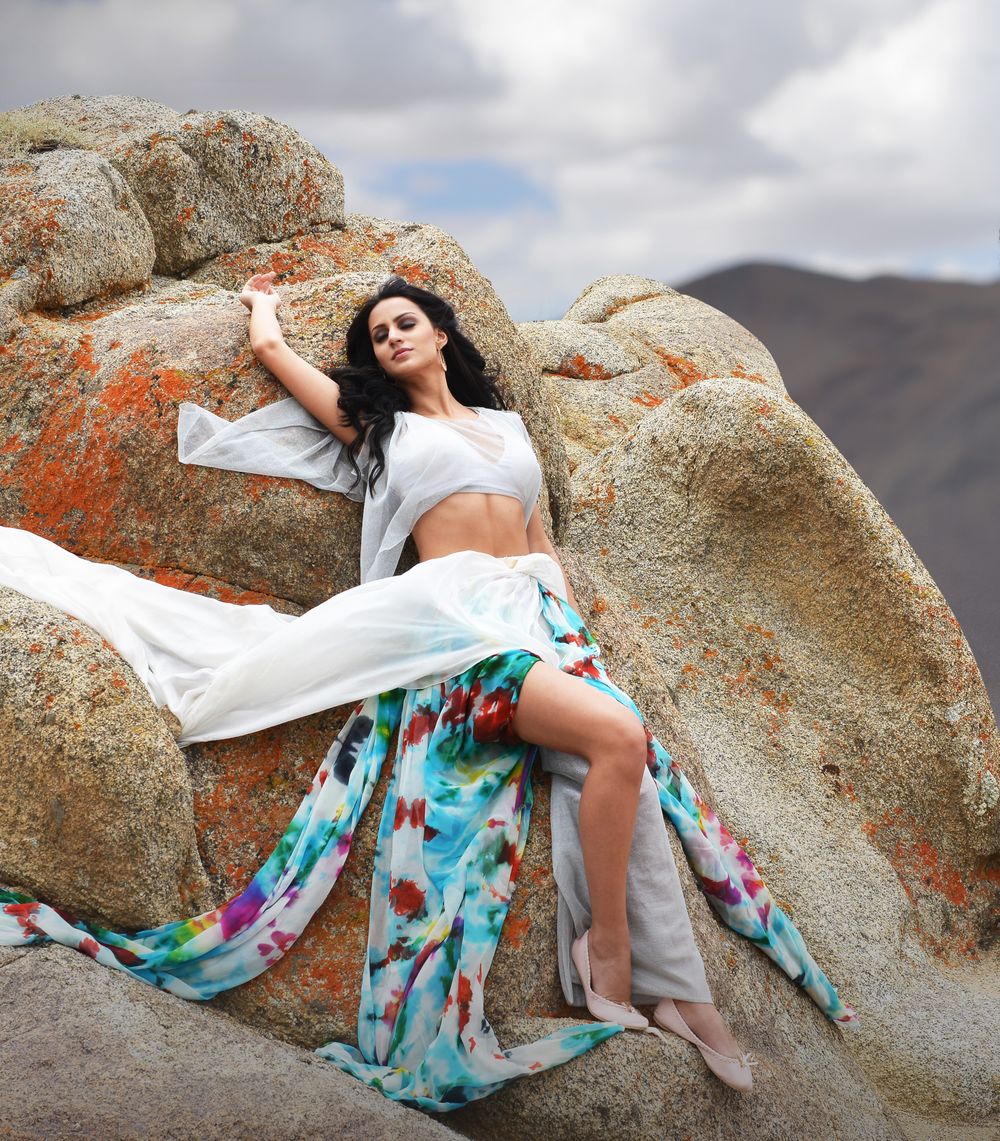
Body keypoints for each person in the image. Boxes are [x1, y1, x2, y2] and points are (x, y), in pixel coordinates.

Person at [0, 272, 857, 1112]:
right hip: (455, 634)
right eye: (379, 335)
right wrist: (261, 305)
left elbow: (539, 540)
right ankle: (612, 955)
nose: (392, 338)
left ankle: (681, 990)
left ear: (442, 335)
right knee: (619, 740)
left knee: (625, 764)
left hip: (534, 621)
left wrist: (576, 639)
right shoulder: (380, 428)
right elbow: (274, 354)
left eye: (405, 323)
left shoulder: (507, 427)